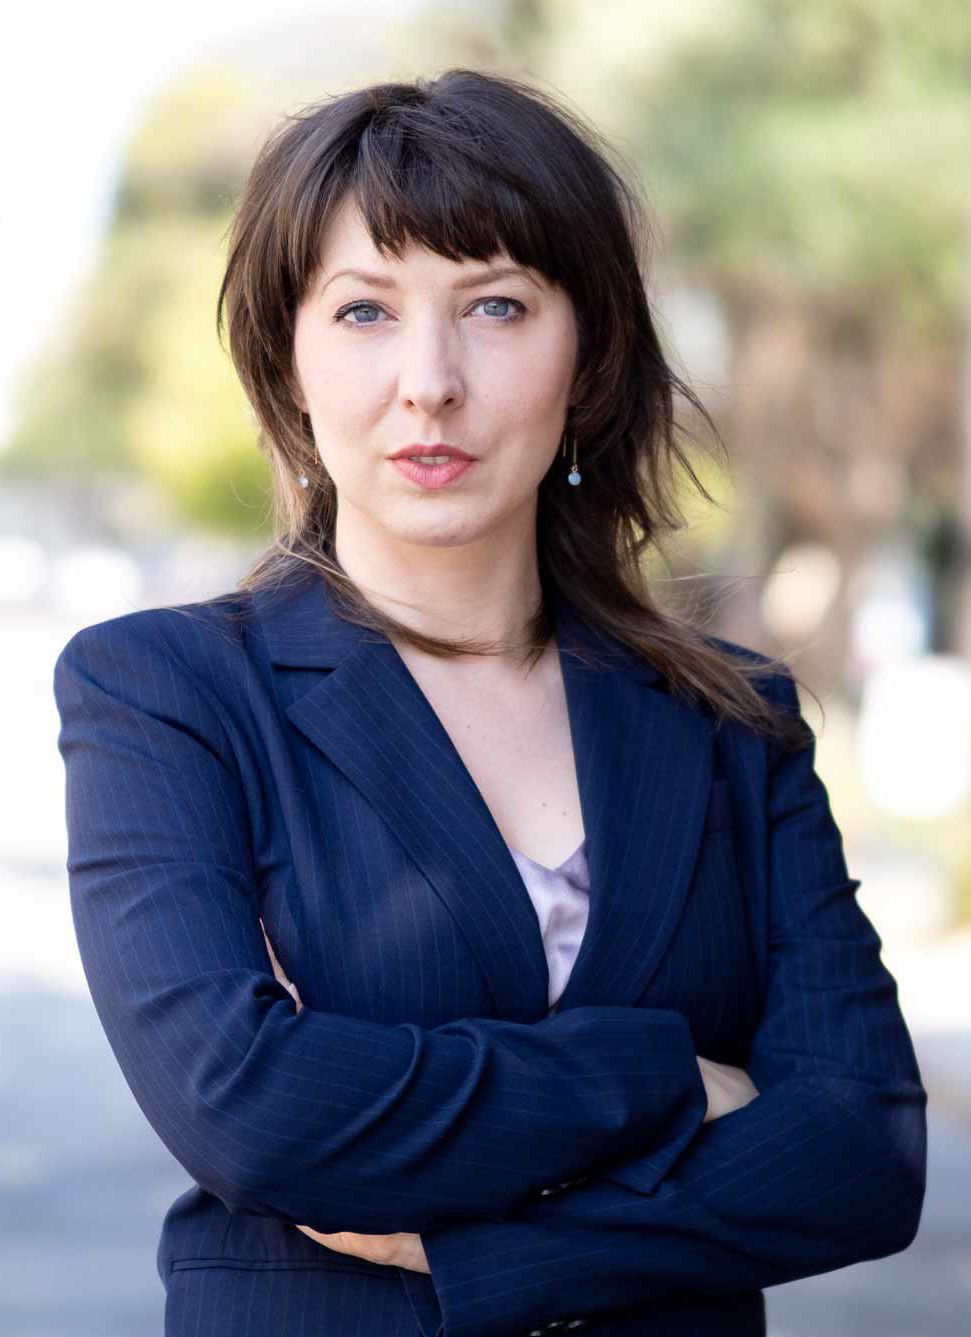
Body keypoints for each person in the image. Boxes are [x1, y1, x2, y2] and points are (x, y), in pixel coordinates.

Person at [52, 68, 927, 1337]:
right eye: (362, 311)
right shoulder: (167, 692)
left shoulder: (734, 722)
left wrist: (497, 1255)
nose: (430, 380)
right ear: (287, 364)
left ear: (585, 356)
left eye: (498, 305)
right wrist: (666, 1076)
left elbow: (861, 1154)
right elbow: (253, 1108)